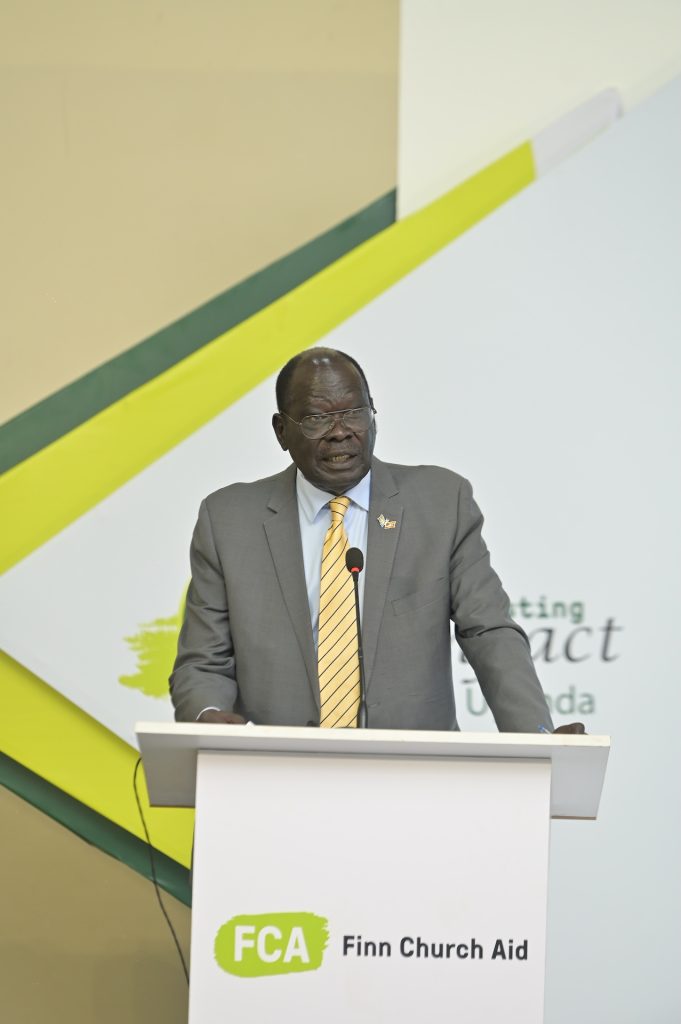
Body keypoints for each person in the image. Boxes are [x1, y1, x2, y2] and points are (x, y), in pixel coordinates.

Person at [170, 347, 583, 734]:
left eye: (354, 414)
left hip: (415, 775)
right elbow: (203, 662)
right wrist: (209, 719)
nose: (340, 433)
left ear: (374, 418)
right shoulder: (228, 520)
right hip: (276, 773)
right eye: (316, 418)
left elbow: (489, 631)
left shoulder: (441, 503)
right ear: (281, 431)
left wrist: (536, 735)